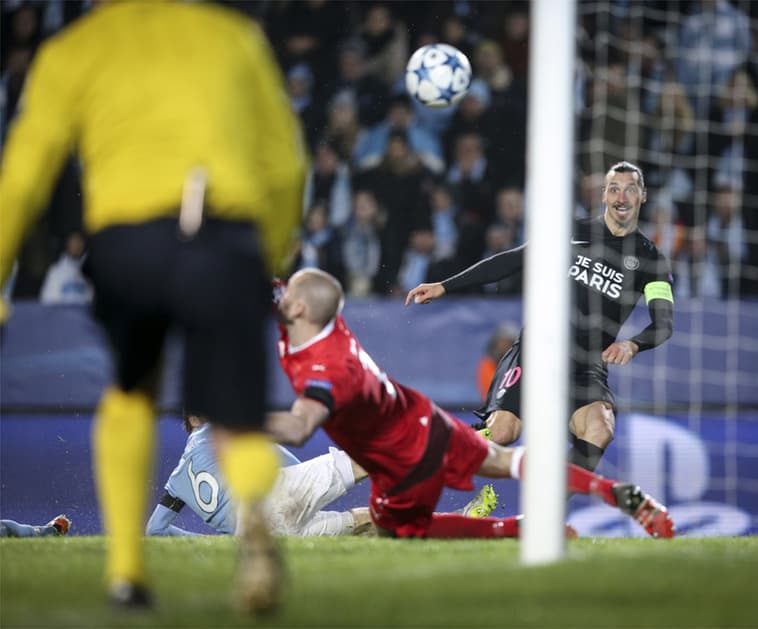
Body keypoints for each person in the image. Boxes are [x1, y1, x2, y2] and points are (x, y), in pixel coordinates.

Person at [0, 1, 308, 613]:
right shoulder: (233, 38)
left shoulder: (75, 50)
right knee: (235, 411)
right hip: (225, 234)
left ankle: (126, 572)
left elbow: (24, 172)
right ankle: (254, 531)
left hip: (129, 239)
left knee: (131, 392)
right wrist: (267, 253)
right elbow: (287, 163)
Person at [265, 269, 674, 539]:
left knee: (400, 527)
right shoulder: (316, 321)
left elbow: (301, 427)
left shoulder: (323, 363)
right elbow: (271, 289)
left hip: (394, 446)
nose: (284, 299)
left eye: (290, 294)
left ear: (300, 308)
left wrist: (234, 416)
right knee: (503, 458)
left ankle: (513, 530)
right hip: (418, 416)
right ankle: (613, 492)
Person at [406, 161, 674, 473]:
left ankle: (538, 517)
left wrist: (633, 345)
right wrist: (445, 286)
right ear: (603, 195)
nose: (621, 198)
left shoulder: (652, 261)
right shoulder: (573, 231)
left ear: (643, 196)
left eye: (630, 190)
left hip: (586, 366)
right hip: (538, 351)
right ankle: (423, 451)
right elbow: (513, 260)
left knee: (600, 429)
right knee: (502, 432)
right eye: (614, 189)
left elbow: (664, 323)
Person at [147, 414, 373, 538]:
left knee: (362, 523)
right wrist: (303, 484)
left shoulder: (175, 483)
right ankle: (407, 456)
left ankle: (406, 519)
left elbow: (155, 530)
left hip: (261, 535)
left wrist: (208, 541)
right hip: (275, 498)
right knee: (359, 462)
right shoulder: (219, 431)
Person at [0, 514, 71, 538]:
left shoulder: (44, 530)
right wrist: (58, 528)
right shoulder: (50, 531)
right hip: (11, 528)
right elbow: (51, 531)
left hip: (9, 526)